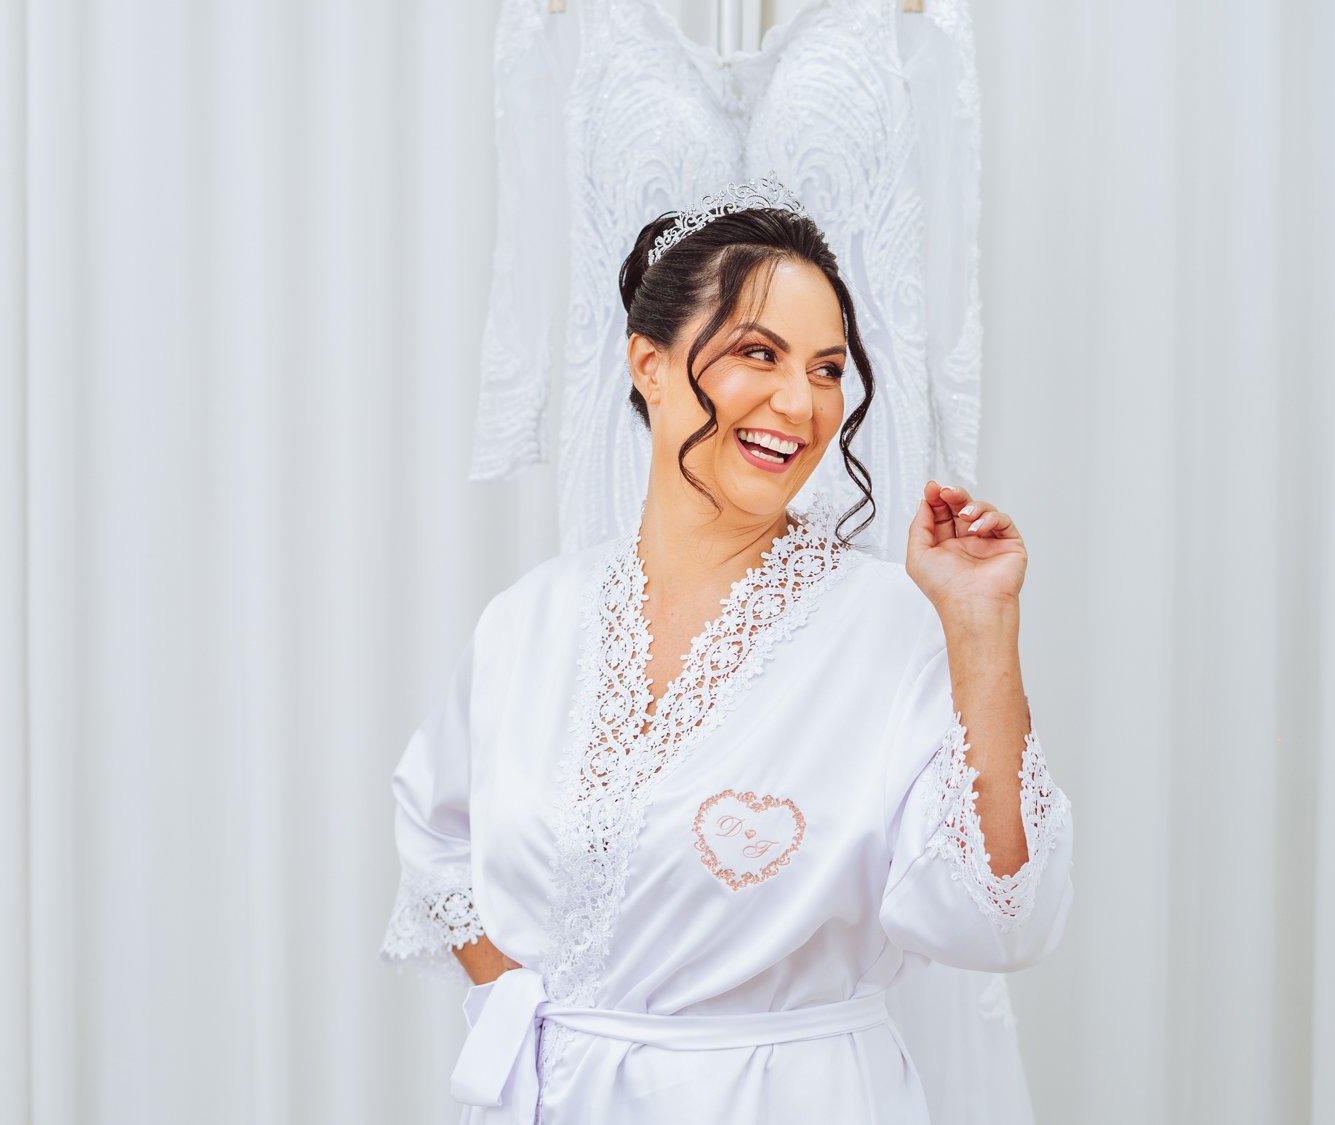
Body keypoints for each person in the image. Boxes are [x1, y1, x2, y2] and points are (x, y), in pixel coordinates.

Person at [380, 178, 1075, 1123]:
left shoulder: (889, 627)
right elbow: (435, 831)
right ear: (650, 364)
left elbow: (1002, 920)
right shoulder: (532, 620)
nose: (801, 401)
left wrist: (983, 628)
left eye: (827, 369)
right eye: (760, 352)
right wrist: (526, 1006)